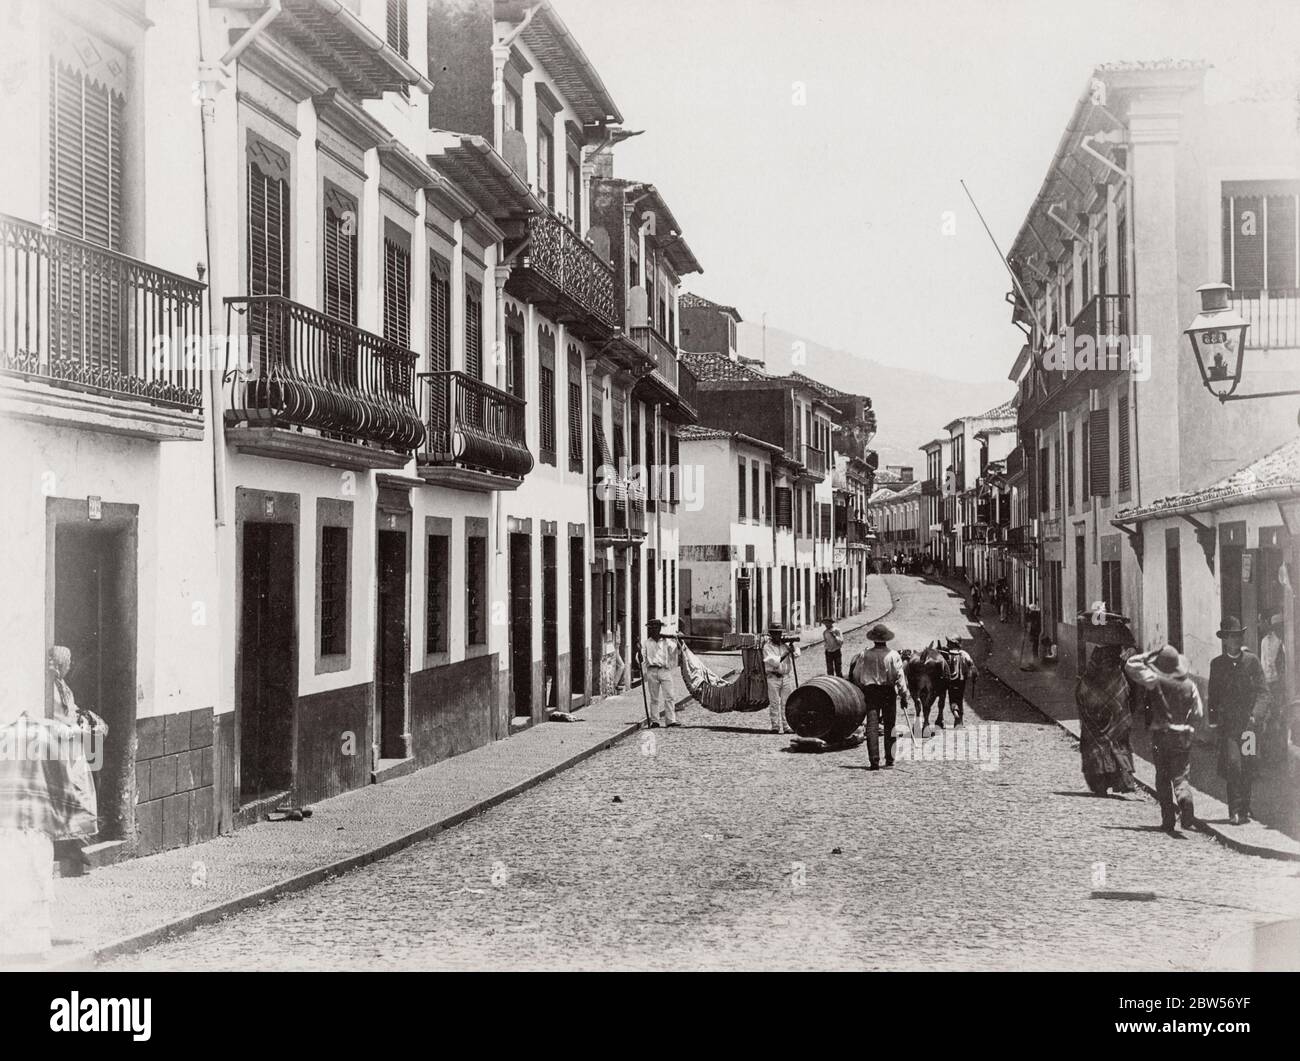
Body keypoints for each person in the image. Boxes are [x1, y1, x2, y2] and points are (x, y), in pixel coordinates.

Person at [1125, 644, 1203, 835]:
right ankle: (1185, 799)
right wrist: (1188, 725)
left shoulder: (1154, 680)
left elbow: (1130, 664)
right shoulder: (1189, 684)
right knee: (1181, 776)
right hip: (1182, 735)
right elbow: (1199, 712)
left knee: (1162, 777)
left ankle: (1168, 819)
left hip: (1162, 735)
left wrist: (1152, 654)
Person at [1208, 617, 1267, 826]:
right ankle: (1234, 810)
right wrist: (1213, 720)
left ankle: (1245, 808)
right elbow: (1212, 695)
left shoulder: (1252, 662)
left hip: (1249, 727)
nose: (1234, 640)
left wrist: (1255, 715)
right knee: (1234, 765)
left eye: (1237, 636)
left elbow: (1263, 692)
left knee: (1248, 765)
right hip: (1229, 728)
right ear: (1225, 640)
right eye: (1230, 636)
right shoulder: (1217, 664)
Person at [1075, 644, 1137, 795]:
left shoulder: (1090, 677)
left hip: (1094, 727)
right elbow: (1127, 698)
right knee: (1116, 746)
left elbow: (1081, 695)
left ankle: (1100, 785)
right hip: (1116, 724)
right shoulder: (1119, 677)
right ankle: (1120, 781)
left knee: (1096, 749)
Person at [848, 623, 912, 769]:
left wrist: (862, 686)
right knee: (890, 726)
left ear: (874, 639)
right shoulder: (893, 655)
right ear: (886, 639)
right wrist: (903, 696)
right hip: (888, 692)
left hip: (871, 692)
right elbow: (900, 677)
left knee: (872, 726)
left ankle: (874, 761)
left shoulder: (865, 654)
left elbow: (856, 675)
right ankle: (889, 759)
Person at [639, 619, 681, 728]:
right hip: (652, 671)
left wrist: (678, 639)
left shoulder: (666, 641)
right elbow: (641, 657)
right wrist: (638, 655)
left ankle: (671, 720)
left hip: (664, 670)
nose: (654, 630)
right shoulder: (646, 643)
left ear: (660, 629)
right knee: (654, 698)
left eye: (656, 628)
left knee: (669, 696)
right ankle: (655, 721)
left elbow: (675, 648)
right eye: (652, 628)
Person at [1258, 613, 1287, 764]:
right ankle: (1269, 755)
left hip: (1278, 685)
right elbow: (1263, 662)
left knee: (1278, 718)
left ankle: (1279, 754)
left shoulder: (1282, 641)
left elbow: (1283, 665)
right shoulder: (1264, 641)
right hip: (1268, 685)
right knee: (1268, 719)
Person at [762, 623, 800, 735]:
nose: (778, 636)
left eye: (779, 633)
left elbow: (797, 654)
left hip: (786, 677)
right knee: (774, 703)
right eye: (776, 634)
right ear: (771, 635)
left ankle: (787, 726)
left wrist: (792, 649)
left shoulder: (785, 645)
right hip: (773, 677)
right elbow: (773, 661)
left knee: (786, 703)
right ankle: (775, 726)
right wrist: (786, 653)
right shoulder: (767, 647)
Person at [943, 637, 977, 726]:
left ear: (953, 644)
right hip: (961, 681)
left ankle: (955, 713)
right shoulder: (964, 654)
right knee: (960, 699)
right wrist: (974, 675)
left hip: (951, 681)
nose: (947, 645)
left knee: (952, 700)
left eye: (949, 643)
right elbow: (971, 664)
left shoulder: (946, 654)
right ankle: (959, 722)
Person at [599, 627, 626, 698]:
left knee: (621, 665)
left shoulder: (617, 625)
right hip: (615, 649)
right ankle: (615, 684)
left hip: (616, 648)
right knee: (622, 665)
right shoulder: (616, 625)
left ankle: (615, 684)